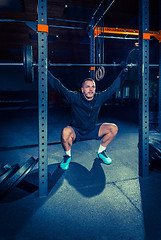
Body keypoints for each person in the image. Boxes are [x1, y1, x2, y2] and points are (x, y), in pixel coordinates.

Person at [48, 68, 128, 170]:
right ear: (82, 89)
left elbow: (114, 87)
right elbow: (58, 85)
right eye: (87, 87)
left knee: (113, 128)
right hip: (77, 132)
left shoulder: (99, 97)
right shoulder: (74, 97)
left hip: (92, 130)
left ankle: (101, 152)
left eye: (93, 87)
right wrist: (44, 70)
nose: (91, 89)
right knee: (65, 132)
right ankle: (67, 156)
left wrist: (124, 72)